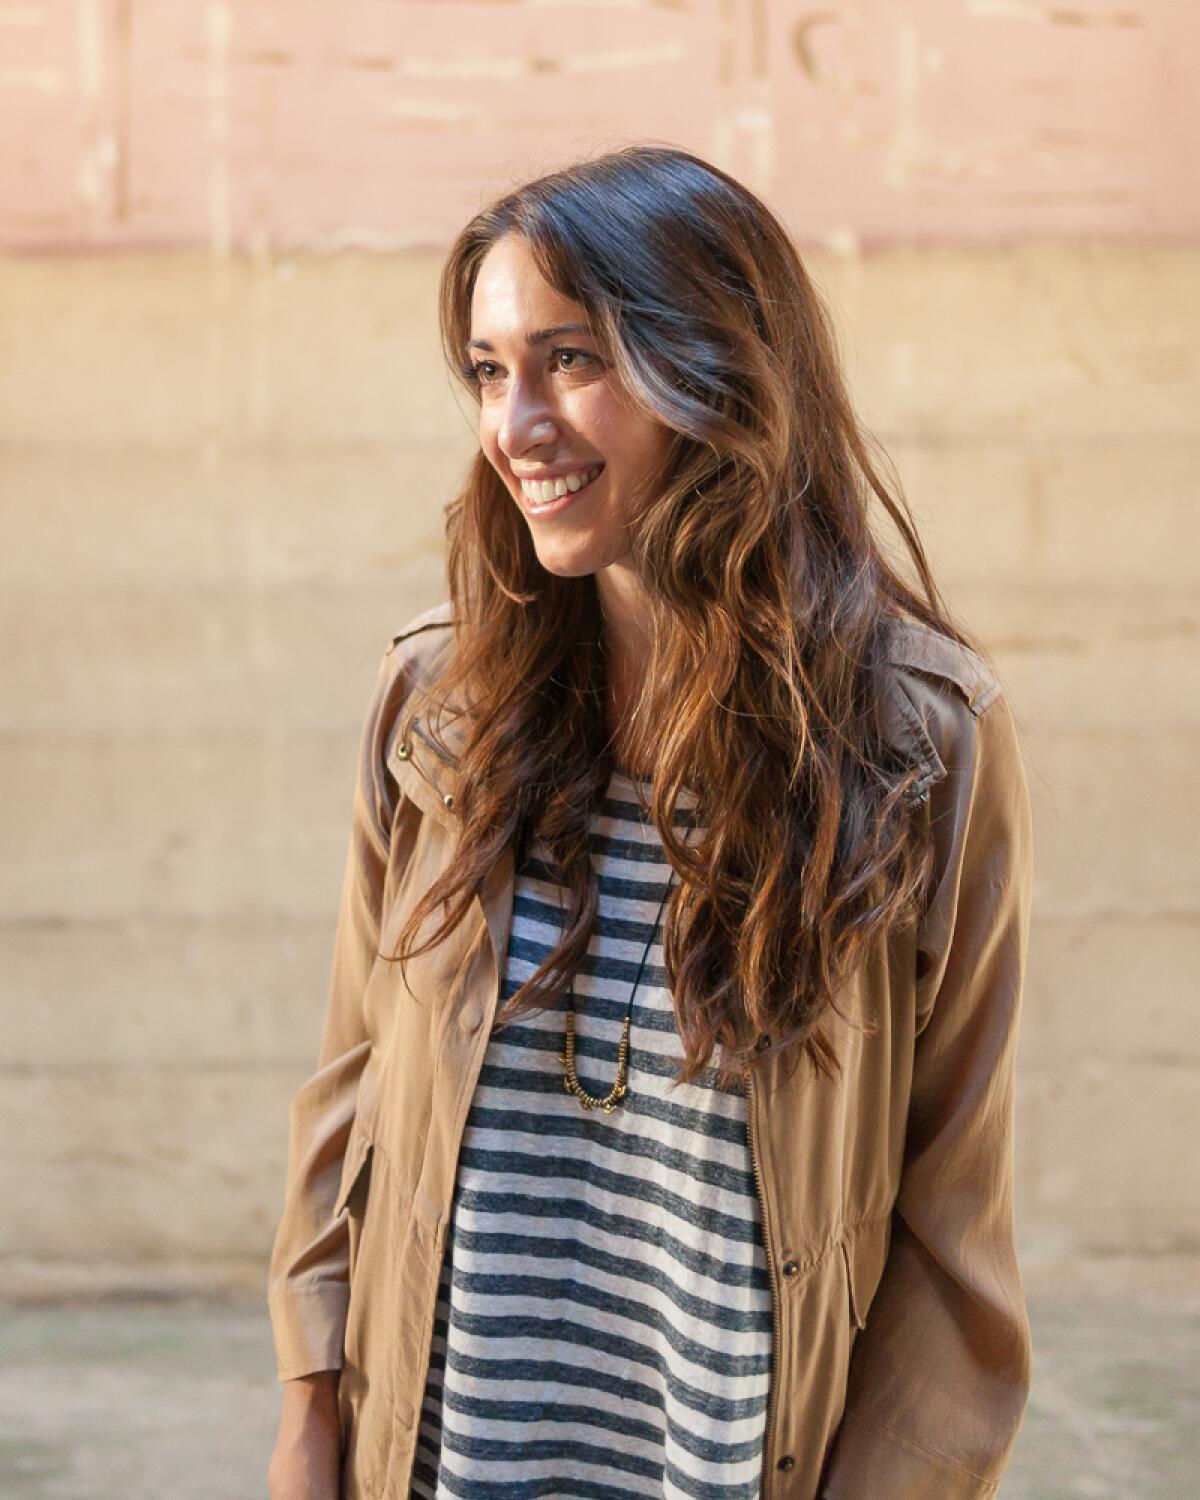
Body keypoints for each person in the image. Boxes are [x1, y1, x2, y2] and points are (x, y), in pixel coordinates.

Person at [266, 144, 1035, 1500]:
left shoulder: (924, 746)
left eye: (572, 360)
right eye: (490, 371)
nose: (517, 427)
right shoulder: (435, 707)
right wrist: (309, 1413)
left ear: (722, 369)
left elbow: (950, 1234)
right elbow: (348, 1092)